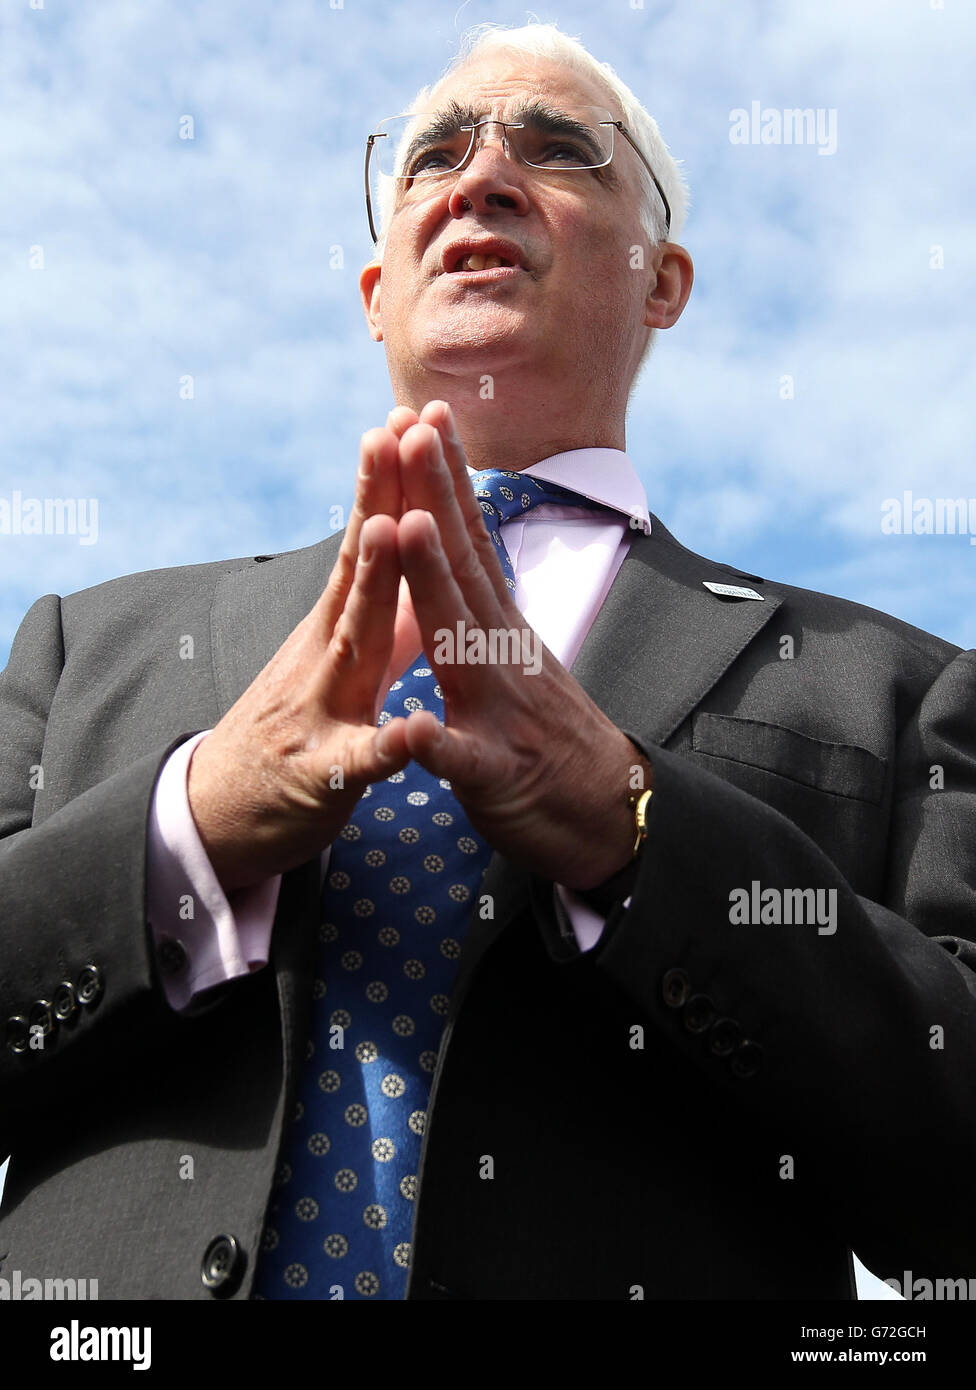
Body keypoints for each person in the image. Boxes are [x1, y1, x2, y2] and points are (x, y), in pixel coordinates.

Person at [1, 21, 975, 1302]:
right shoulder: (86, 647)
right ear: (375, 294)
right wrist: (191, 825)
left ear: (662, 279)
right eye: (432, 156)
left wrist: (640, 831)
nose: (479, 177)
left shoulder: (896, 687)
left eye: (558, 146)